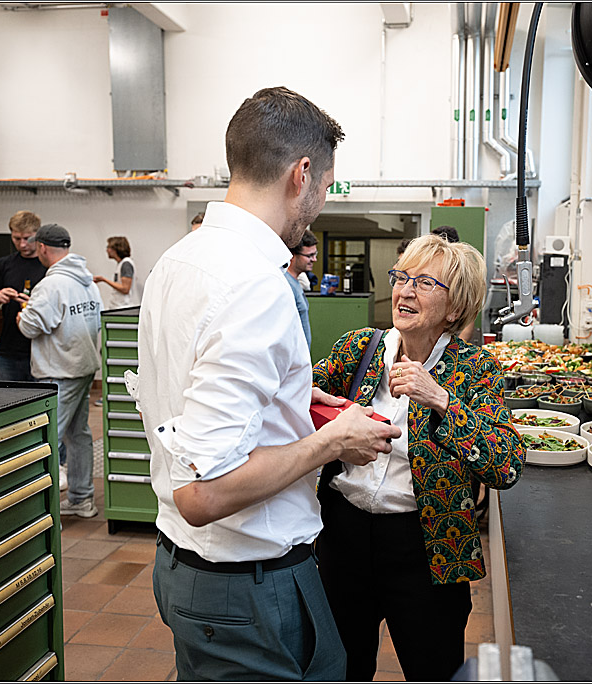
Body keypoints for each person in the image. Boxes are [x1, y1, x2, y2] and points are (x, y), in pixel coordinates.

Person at [137, 86, 400, 681]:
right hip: (246, 588)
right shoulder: (256, 285)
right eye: (327, 185)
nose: (322, 201)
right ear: (301, 173)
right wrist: (333, 442)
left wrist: (290, 395)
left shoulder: (179, 261)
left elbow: (187, 387)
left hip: (191, 571)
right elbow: (204, 493)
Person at [311, 233, 526, 682]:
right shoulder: (360, 350)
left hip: (426, 548)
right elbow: (301, 400)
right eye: (402, 277)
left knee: (433, 668)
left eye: (425, 282)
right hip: (342, 537)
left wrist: (443, 401)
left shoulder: (474, 370)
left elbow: (506, 464)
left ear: (454, 309)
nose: (405, 291)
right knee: (340, 668)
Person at [17, 224, 103, 517]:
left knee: (49, 438)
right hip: (84, 368)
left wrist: (23, 315)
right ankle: (81, 499)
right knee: (78, 435)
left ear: (41, 247)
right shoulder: (88, 281)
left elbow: (31, 326)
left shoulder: (50, 285)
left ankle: (42, 510)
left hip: (58, 372)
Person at [0, 211, 47, 382]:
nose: (22, 244)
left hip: (41, 351)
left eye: (27, 238)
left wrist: (35, 304)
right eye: (17, 239)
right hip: (9, 352)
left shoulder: (49, 266)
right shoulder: (4, 264)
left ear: (37, 236)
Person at [285, 229, 317, 347]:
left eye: (315, 254)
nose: (314, 260)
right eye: (309, 256)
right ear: (292, 256)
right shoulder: (286, 285)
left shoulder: (295, 283)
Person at [94, 236, 142, 309]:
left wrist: (104, 280)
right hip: (118, 306)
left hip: (123, 307)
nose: (107, 250)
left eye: (108, 247)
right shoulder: (121, 264)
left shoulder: (126, 264)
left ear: (116, 249)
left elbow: (125, 289)